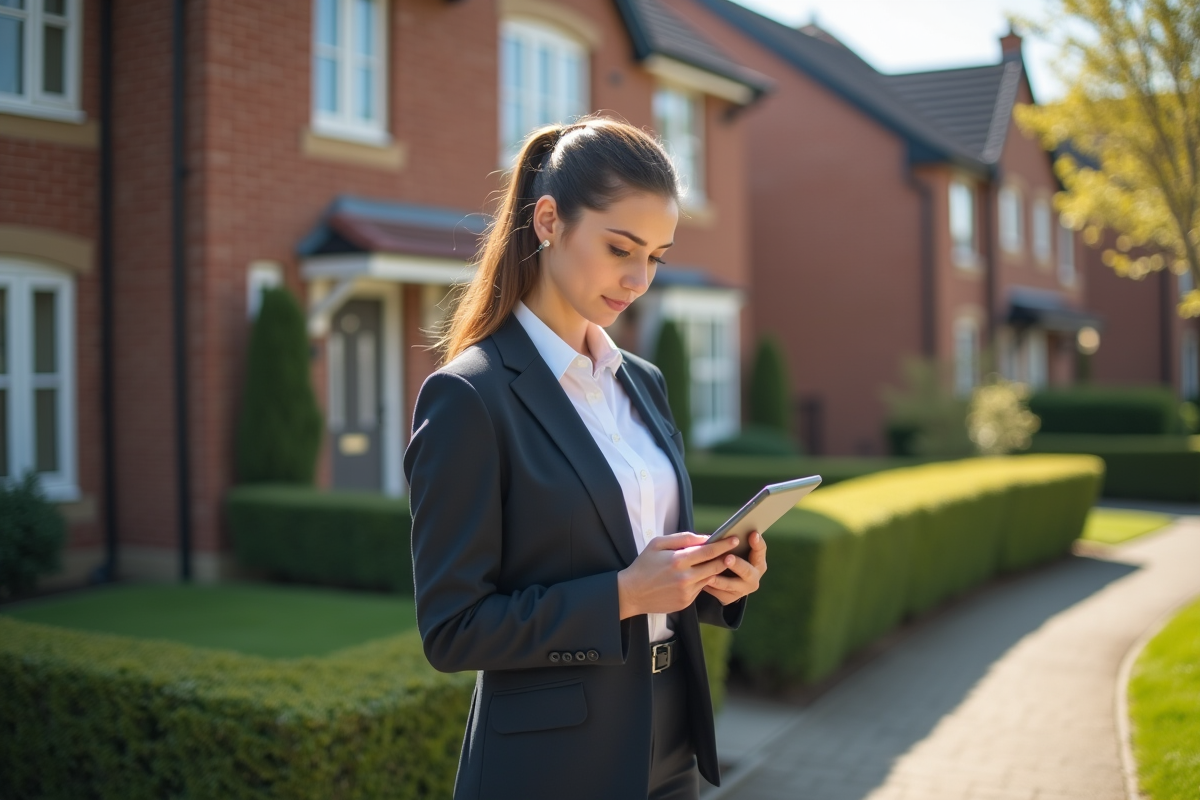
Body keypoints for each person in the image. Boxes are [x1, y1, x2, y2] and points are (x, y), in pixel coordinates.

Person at [403, 115, 769, 800]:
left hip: (671, 743)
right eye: (620, 248)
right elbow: (452, 631)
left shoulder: (644, 381)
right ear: (549, 220)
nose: (638, 279)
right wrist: (625, 594)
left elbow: (648, 562)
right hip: (554, 767)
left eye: (656, 257)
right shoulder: (469, 397)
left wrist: (715, 579)